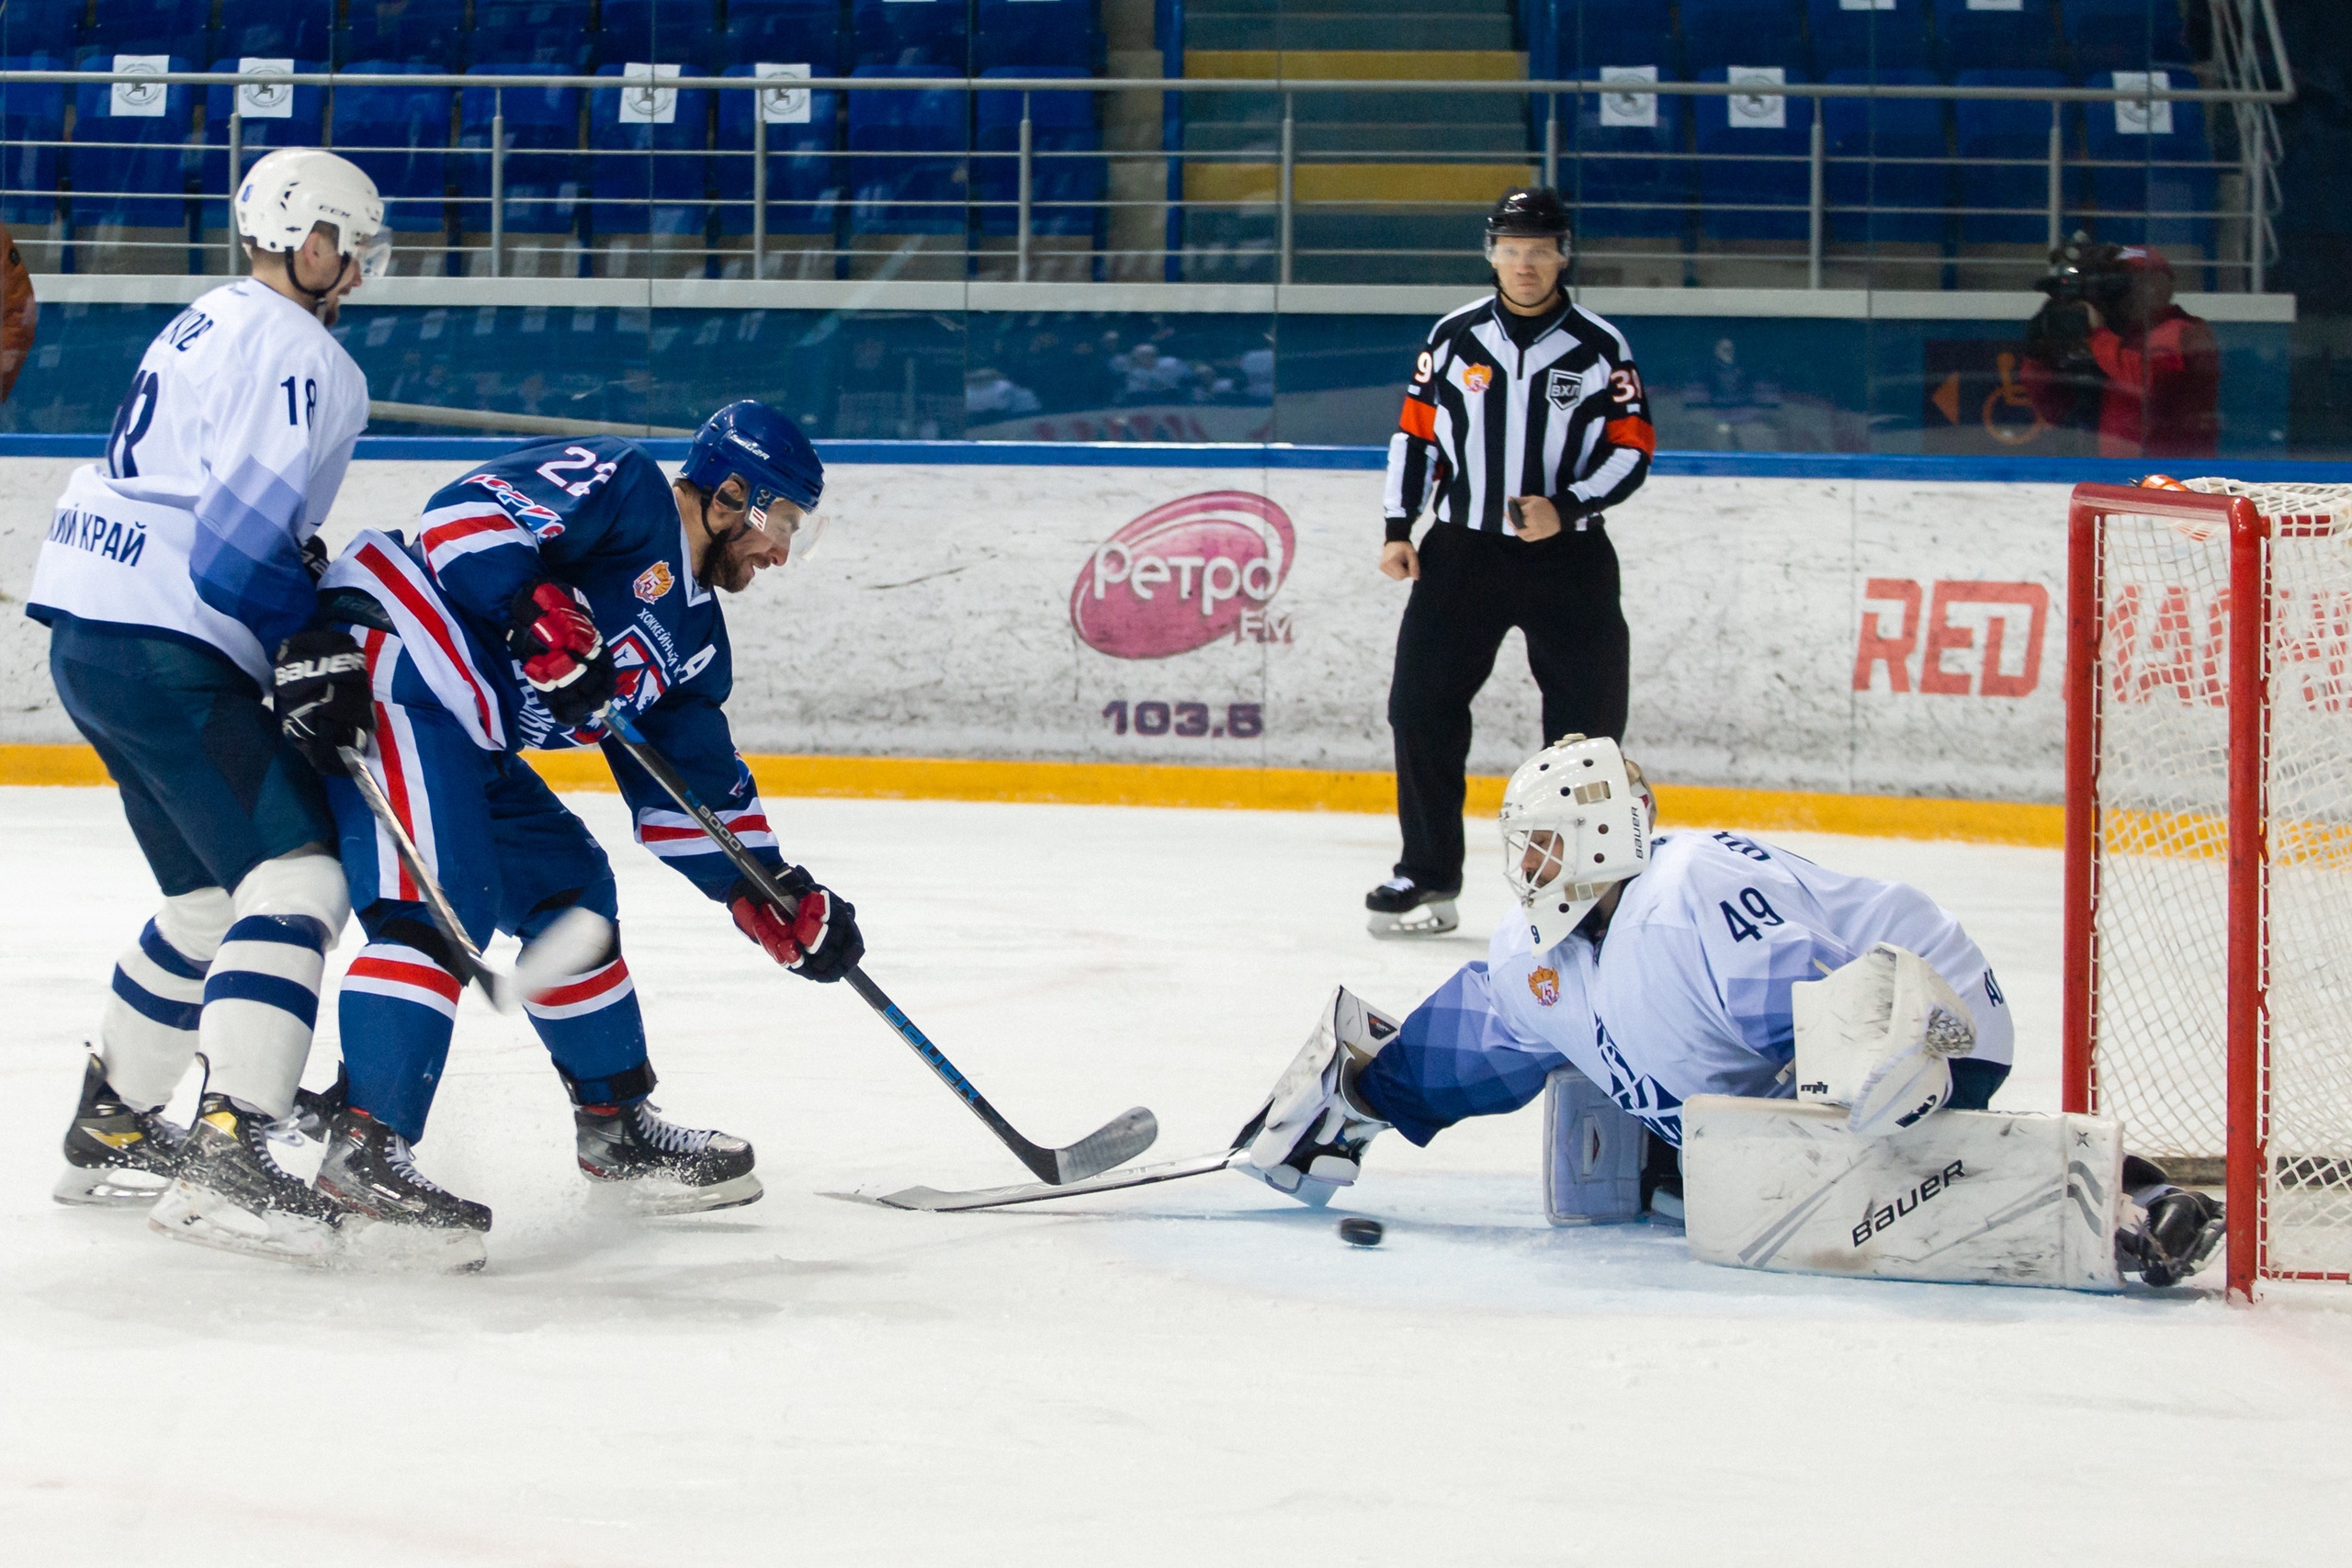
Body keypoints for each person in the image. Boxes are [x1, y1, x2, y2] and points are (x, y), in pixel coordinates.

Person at [1238, 734, 2224, 1290]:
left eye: (1545, 845)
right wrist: (1355, 1096)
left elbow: (1833, 1024)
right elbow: (1481, 1038)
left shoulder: (1689, 889)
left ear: (1599, 838)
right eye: (1522, 846)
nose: (1527, 867)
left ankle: (2127, 1202)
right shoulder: (1531, 952)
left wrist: (1816, 1159)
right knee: (1733, 1160)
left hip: (1927, 1021)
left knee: (1869, 1164)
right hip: (1801, 1071)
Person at [271, 401, 865, 1268]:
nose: (780, 550)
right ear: (732, 492)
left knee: (570, 890)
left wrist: (769, 888)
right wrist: (533, 603)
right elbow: (463, 515)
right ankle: (365, 1149)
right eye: (779, 521)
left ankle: (614, 1129)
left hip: (467, 722)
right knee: (444, 901)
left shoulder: (696, 640)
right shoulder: (624, 489)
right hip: (394, 660)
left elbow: (691, 790)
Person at [29, 148, 385, 1261]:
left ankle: (113, 1121)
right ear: (312, 241)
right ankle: (235, 1154)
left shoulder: (208, 315)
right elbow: (235, 559)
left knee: (202, 897)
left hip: (92, 637)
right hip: (167, 644)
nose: (360, 269)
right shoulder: (304, 353)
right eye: (352, 246)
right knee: (299, 875)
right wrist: (310, 631)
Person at [1369, 186, 1654, 938]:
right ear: (1491, 253)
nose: (1524, 265)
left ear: (1563, 254)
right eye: (1511, 250)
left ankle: (1587, 889)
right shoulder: (1455, 336)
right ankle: (1427, 875)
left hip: (1570, 555)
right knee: (1420, 706)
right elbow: (1416, 436)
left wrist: (1566, 505)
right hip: (1460, 553)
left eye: (1539, 250)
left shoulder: (1601, 346)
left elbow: (1634, 449)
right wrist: (1401, 525)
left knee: (1586, 730)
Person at [2023, 240, 2219, 460]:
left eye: (2127, 283)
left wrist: (2097, 335)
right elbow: (2055, 411)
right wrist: (2038, 356)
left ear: (2161, 286)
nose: (2119, 293)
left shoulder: (2184, 331)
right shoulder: (2119, 338)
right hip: (2112, 472)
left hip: (2170, 473)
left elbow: (2151, 381)